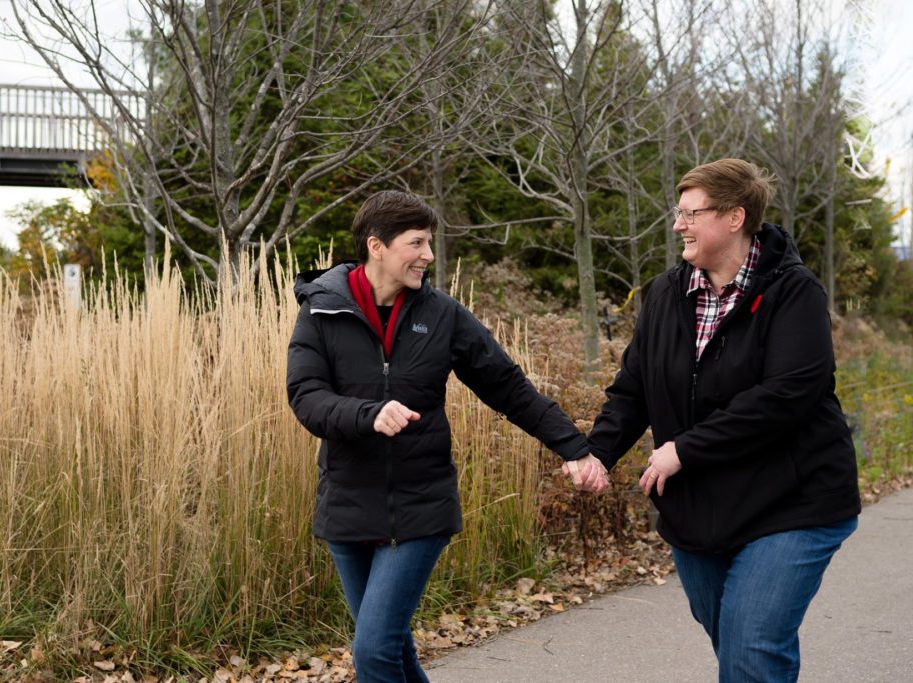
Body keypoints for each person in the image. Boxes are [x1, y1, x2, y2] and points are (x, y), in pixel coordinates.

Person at [286, 190, 608, 682]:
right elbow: (306, 396)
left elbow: (508, 387)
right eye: (416, 243)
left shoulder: (440, 315)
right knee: (392, 649)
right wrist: (367, 414)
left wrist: (573, 446)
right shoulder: (322, 312)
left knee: (373, 652)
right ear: (377, 246)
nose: (428, 256)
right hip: (348, 506)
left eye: (429, 243)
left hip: (421, 505)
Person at [586, 158, 861, 682]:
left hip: (792, 503)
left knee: (752, 650)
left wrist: (684, 449)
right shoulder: (666, 294)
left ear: (734, 218)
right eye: (678, 212)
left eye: (691, 213)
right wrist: (596, 453)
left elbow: (787, 394)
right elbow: (634, 389)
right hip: (701, 510)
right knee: (738, 647)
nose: (677, 224)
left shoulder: (793, 292)